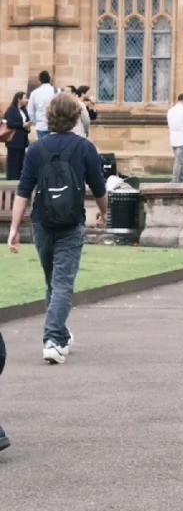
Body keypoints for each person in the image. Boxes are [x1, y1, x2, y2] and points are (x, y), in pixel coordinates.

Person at [7, 91, 107, 364]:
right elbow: (99, 188)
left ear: (49, 116)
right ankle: (52, 339)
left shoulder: (36, 149)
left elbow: (23, 191)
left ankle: (60, 335)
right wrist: (103, 212)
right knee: (62, 283)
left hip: (42, 222)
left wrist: (14, 227)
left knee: (54, 280)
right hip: (72, 223)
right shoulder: (85, 148)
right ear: (75, 117)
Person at [3, 91, 30, 181]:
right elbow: (10, 123)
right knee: (13, 158)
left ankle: (19, 176)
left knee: (21, 158)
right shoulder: (12, 109)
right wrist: (22, 125)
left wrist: (27, 126)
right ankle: (11, 177)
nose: (27, 100)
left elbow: (27, 121)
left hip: (23, 138)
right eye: (25, 98)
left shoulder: (24, 110)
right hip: (13, 138)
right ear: (19, 99)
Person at [26, 70, 58, 139]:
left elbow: (30, 111)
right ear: (49, 79)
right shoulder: (57, 91)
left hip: (41, 125)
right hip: (55, 125)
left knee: (42, 145)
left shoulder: (34, 93)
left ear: (39, 81)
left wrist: (35, 121)